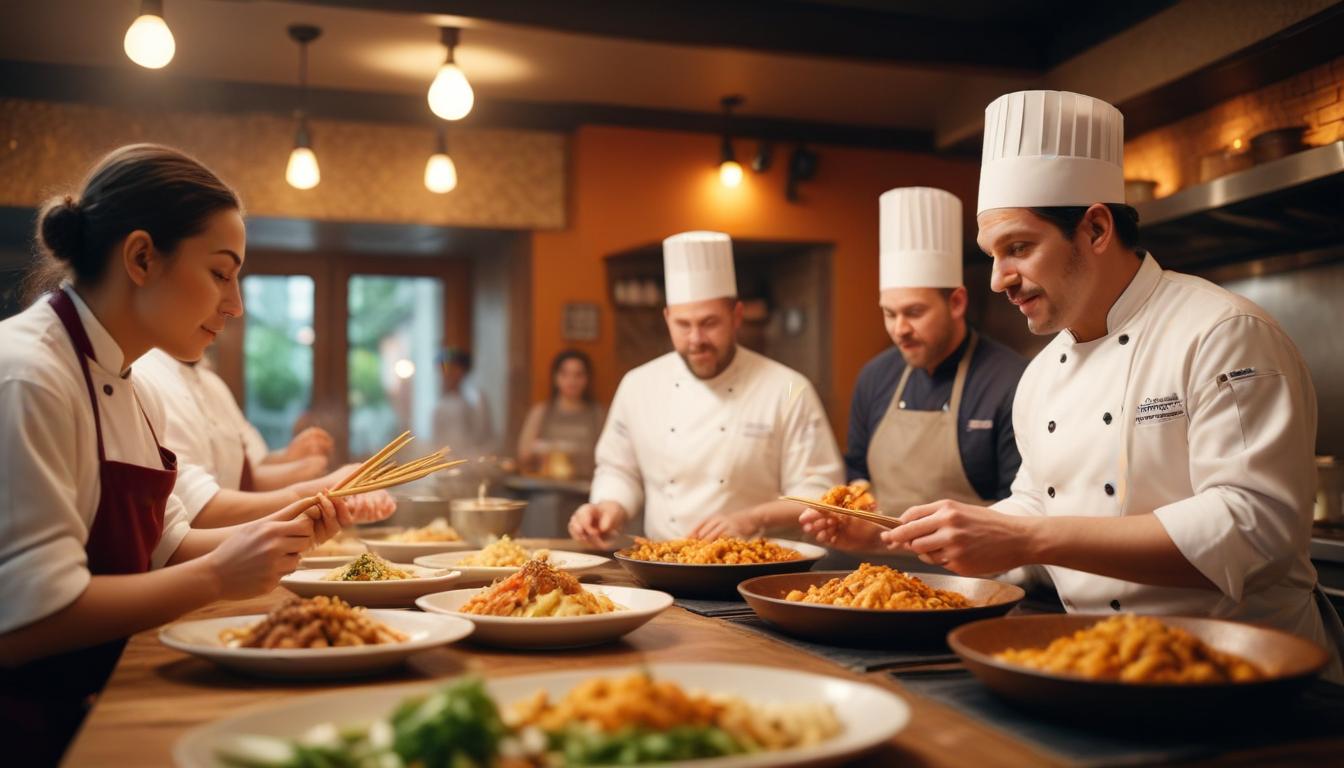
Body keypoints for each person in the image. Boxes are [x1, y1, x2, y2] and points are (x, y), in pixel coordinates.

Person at [803, 90, 1343, 679]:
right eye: (992, 254)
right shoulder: (1041, 376)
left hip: (1245, 674)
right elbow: (1037, 505)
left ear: (1096, 227)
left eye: (1018, 248)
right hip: (1096, 663)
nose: (999, 280)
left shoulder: (1222, 332)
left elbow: (1252, 526)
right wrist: (900, 537)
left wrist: (1034, 538)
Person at [0, 144, 383, 762]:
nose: (234, 305)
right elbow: (25, 622)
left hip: (106, 693)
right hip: (39, 732)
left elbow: (165, 546)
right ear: (142, 257)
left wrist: (289, 531)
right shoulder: (27, 374)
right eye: (220, 273)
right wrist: (219, 574)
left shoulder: (132, 379)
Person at [569, 231, 843, 545]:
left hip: (759, 569)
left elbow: (819, 490)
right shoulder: (638, 385)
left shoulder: (790, 388)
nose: (696, 339)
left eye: (709, 323)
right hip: (662, 564)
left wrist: (752, 519)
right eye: (683, 325)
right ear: (667, 318)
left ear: (736, 316)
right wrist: (608, 506)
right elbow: (619, 470)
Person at [842, 187, 1025, 521]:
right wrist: (856, 500)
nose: (899, 329)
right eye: (889, 313)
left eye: (913, 312)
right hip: (877, 562)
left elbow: (1023, 505)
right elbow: (856, 467)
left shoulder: (1011, 380)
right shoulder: (874, 376)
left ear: (956, 302)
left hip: (974, 569)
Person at [135, 349, 395, 527]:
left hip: (232, 552)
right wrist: (321, 490)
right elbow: (194, 510)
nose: (234, 306)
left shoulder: (212, 383)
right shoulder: (143, 375)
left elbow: (248, 472)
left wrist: (292, 460)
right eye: (219, 275)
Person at [517, 349, 605, 479]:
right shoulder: (541, 412)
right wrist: (544, 450)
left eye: (578, 375)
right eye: (565, 374)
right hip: (546, 486)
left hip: (586, 485)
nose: (571, 381)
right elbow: (523, 456)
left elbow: (607, 456)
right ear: (555, 377)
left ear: (587, 379)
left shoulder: (598, 414)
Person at [431, 347, 494, 460]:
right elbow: (437, 439)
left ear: (462, 370)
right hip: (448, 462)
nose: (446, 375)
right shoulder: (441, 405)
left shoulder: (475, 398)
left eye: (451, 369)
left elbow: (484, 434)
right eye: (443, 370)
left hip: (473, 461)